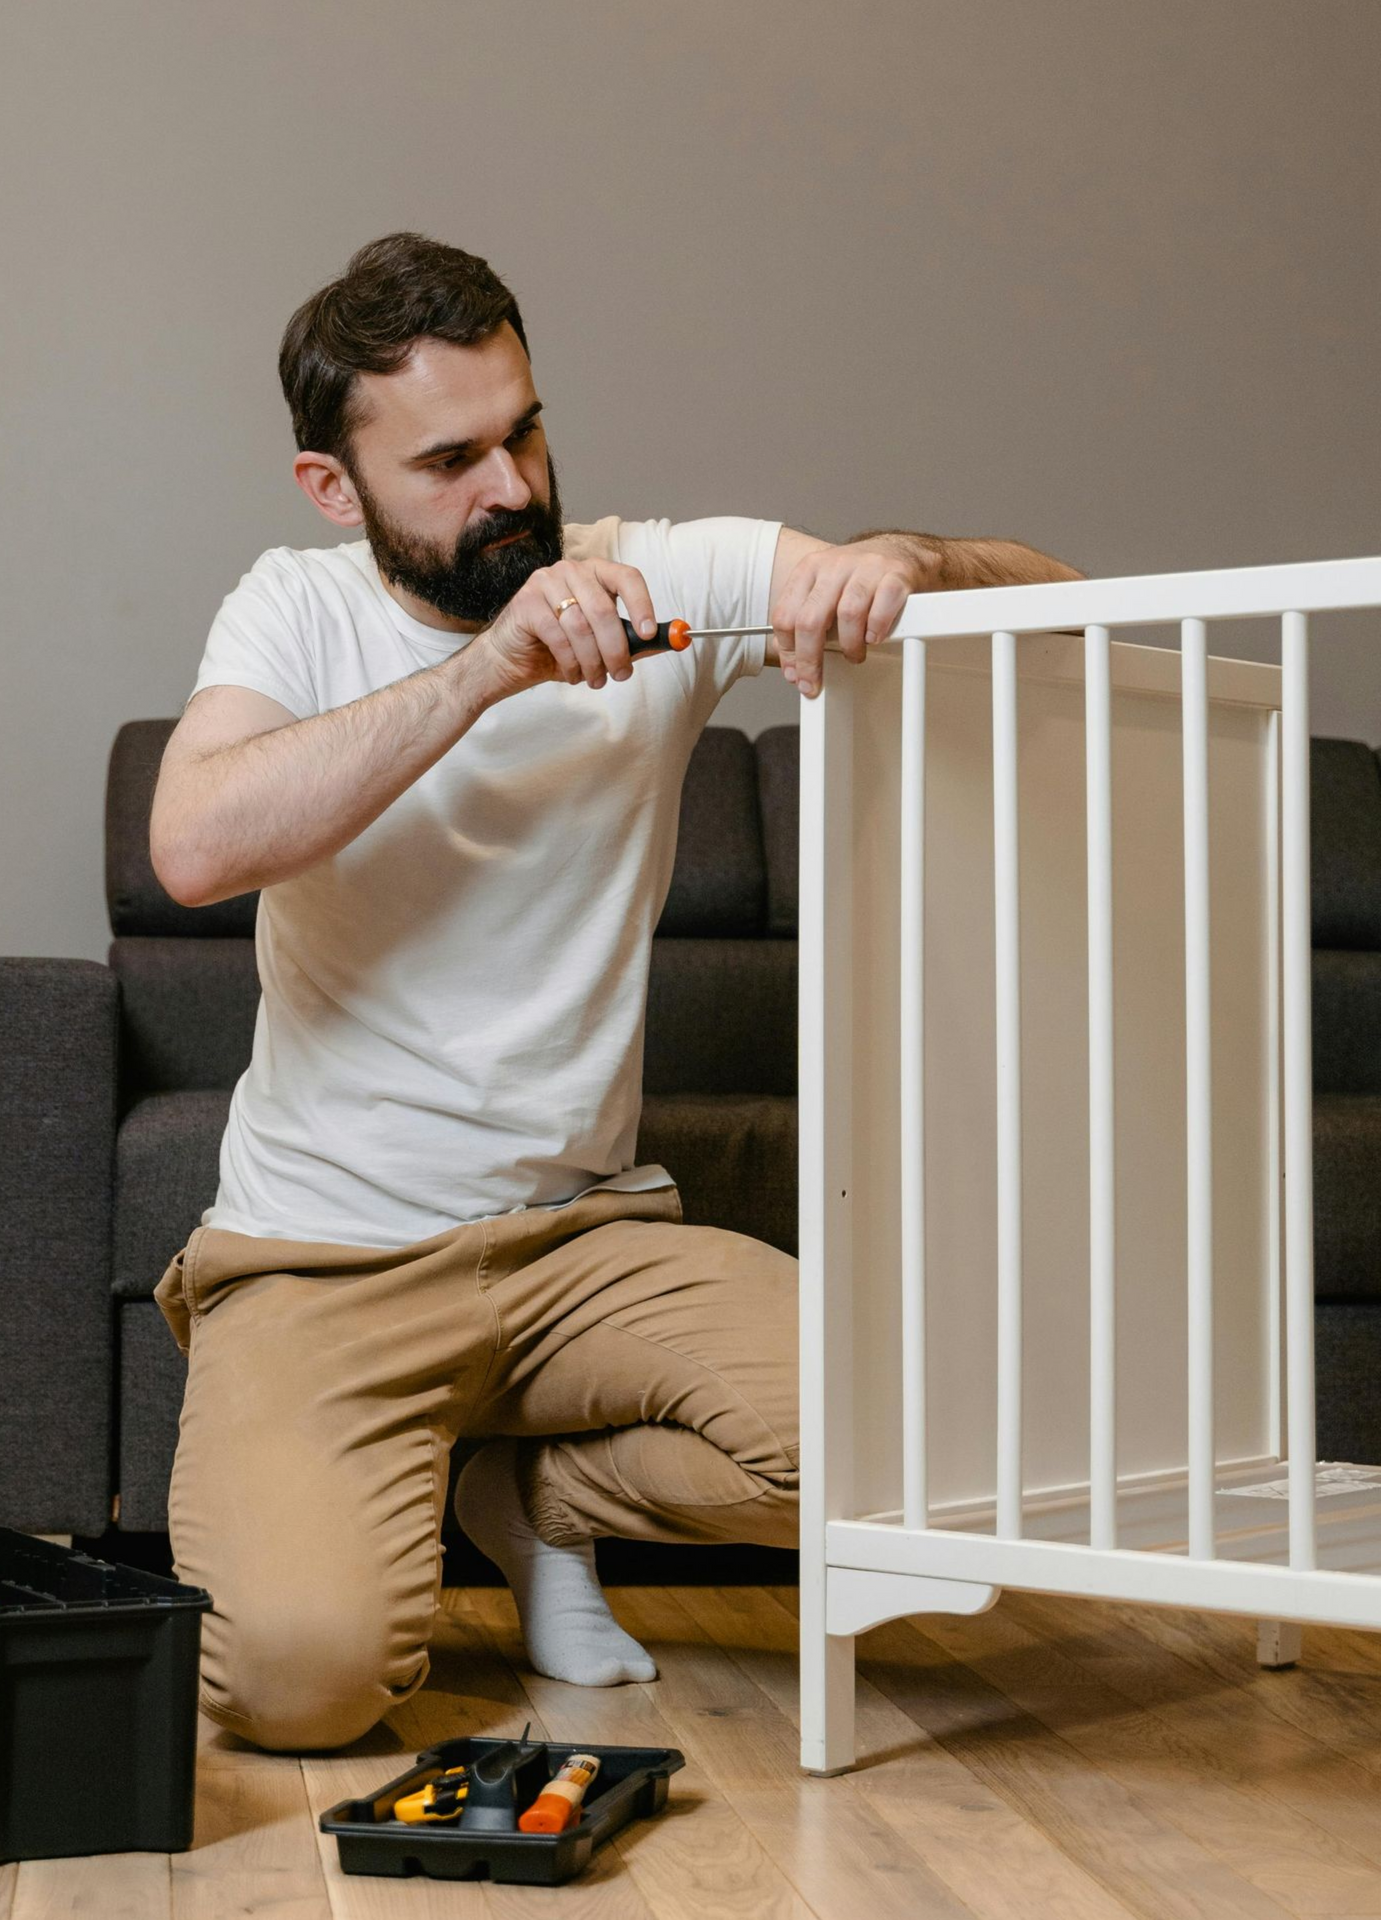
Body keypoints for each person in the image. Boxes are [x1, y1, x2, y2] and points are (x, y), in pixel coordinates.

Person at [148, 232, 1080, 1752]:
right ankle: (433, 1489)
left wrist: (898, 566)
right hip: (326, 1261)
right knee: (298, 1688)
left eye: (523, 429)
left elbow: (1050, 589)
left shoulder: (662, 577)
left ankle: (533, 1496)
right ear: (338, 488)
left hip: (584, 1241)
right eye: (449, 458)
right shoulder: (295, 609)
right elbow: (192, 843)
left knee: (935, 1441)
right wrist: (486, 672)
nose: (511, 487)